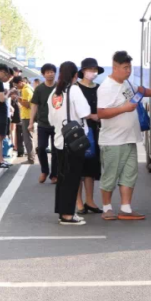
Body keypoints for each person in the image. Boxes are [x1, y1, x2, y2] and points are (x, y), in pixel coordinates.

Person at [98, 51, 151, 221]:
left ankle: (126, 209)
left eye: (130, 67)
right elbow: (101, 113)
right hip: (113, 141)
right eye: (125, 68)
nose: (128, 71)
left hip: (130, 138)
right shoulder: (106, 87)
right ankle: (107, 208)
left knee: (130, 174)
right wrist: (123, 108)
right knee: (110, 176)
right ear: (115, 67)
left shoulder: (126, 83)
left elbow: (140, 90)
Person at [47, 61, 97, 225]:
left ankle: (63, 211)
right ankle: (68, 215)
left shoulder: (55, 92)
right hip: (74, 140)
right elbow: (84, 112)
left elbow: (50, 117)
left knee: (63, 178)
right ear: (75, 75)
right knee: (72, 178)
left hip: (60, 140)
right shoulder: (74, 90)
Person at [75, 58, 104, 214]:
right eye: (90, 69)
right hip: (78, 131)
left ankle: (90, 201)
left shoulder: (99, 88)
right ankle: (79, 202)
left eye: (95, 69)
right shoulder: (75, 88)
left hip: (95, 131)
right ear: (83, 71)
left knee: (91, 168)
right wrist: (90, 116)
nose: (93, 72)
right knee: (78, 168)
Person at [29, 64, 58, 184]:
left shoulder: (59, 87)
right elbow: (34, 105)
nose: (50, 74)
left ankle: (54, 175)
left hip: (57, 124)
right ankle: (44, 171)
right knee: (41, 147)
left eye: (52, 72)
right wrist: (31, 122)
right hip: (42, 123)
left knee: (56, 150)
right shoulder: (39, 89)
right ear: (43, 74)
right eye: (48, 72)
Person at [13, 76, 36, 164]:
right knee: (28, 137)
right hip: (28, 115)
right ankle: (31, 157)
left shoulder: (25, 90)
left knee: (27, 138)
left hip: (27, 116)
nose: (16, 87)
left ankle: (31, 158)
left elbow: (27, 104)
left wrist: (17, 98)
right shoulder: (29, 87)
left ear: (20, 82)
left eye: (16, 85)